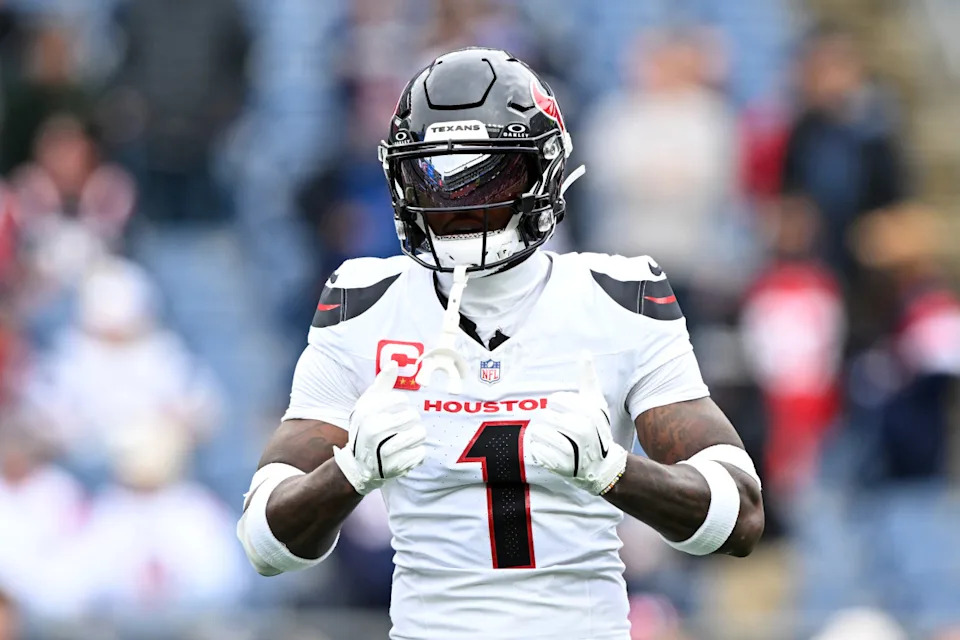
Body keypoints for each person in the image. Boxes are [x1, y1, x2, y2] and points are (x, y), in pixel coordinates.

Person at [238, 48, 764, 640]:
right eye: (433, 176)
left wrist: (615, 472)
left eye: (490, 174)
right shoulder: (365, 305)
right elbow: (263, 542)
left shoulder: (618, 299)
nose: (461, 204)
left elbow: (741, 517)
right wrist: (350, 474)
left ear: (543, 171)